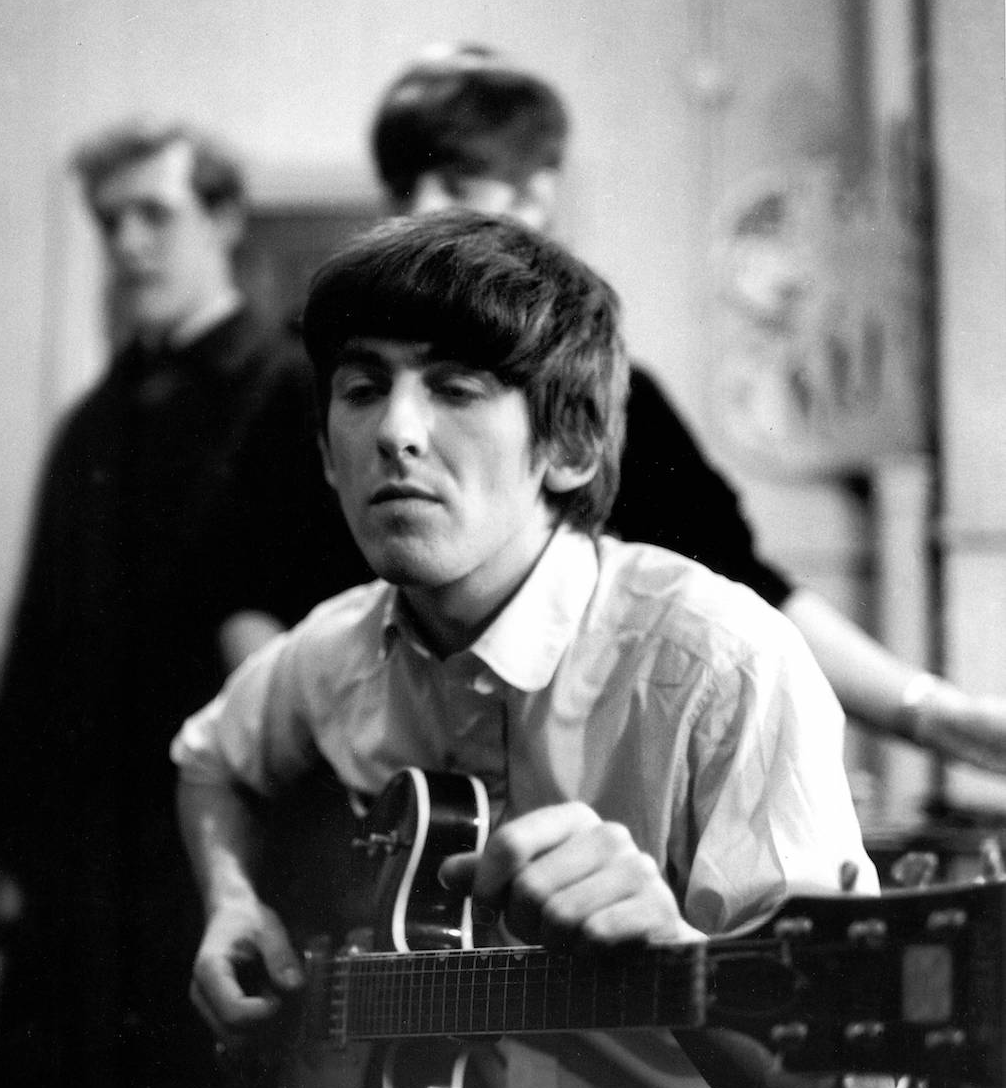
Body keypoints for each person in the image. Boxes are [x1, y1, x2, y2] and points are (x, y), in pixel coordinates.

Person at [173, 211, 933, 1088]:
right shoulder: (336, 648)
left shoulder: (717, 661)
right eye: (362, 388)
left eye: (454, 386)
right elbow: (210, 761)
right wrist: (230, 902)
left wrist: (670, 954)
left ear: (568, 446)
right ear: (323, 451)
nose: (395, 429)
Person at [366, 43, 1006, 777]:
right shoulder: (319, 390)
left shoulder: (615, 401)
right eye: (399, 185)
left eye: (454, 182)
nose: (418, 213)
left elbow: (744, 589)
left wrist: (932, 714)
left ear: (536, 198)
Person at [0, 120, 356, 1088]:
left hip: (217, 837)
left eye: (156, 215)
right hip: (78, 847)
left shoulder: (289, 394)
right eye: (110, 220)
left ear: (222, 220)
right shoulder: (95, 418)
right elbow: (37, 641)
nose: (129, 242)